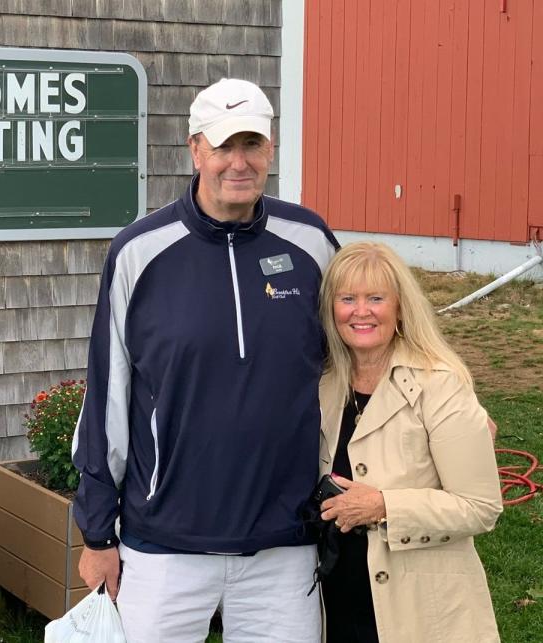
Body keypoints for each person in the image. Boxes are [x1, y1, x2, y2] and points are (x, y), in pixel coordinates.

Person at [70, 78, 338, 642]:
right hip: (164, 546)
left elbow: (367, 347)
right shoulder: (139, 252)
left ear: (270, 149)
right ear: (195, 150)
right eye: (223, 147)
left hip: (284, 545)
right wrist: (97, 535)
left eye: (252, 145)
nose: (238, 163)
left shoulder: (311, 242)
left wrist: (445, 407)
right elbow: (108, 394)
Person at [317, 242, 502, 643]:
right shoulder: (326, 383)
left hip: (419, 609)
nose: (360, 311)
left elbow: (481, 508)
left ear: (400, 307)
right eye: (347, 298)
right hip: (339, 597)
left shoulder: (441, 383)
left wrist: (383, 506)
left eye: (376, 298)